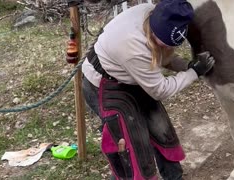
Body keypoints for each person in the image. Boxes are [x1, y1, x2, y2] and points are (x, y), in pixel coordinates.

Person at [82, 0, 215, 179]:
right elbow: (161, 90)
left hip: (134, 77)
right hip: (105, 84)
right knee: (132, 146)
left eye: (170, 44)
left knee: (162, 133)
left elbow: (162, 57)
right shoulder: (133, 45)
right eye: (163, 42)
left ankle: (174, 177)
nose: (167, 47)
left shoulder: (159, 16)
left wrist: (186, 65)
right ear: (153, 27)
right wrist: (194, 72)